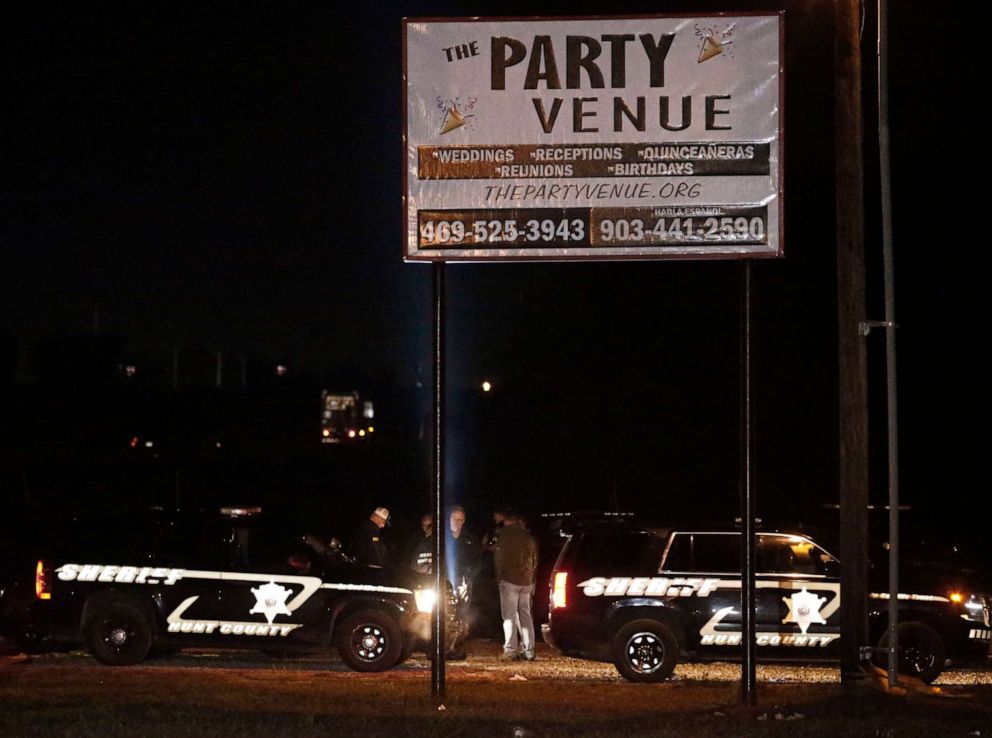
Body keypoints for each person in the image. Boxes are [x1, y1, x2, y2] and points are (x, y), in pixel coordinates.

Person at [493, 511, 538, 661]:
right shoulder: (528, 537)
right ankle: (529, 650)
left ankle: (510, 649)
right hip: (527, 581)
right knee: (525, 614)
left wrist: (499, 577)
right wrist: (532, 579)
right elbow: (535, 559)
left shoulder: (504, 536)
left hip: (509, 580)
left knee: (509, 616)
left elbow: (498, 558)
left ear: (507, 522)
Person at [446, 505, 479, 659]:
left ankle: (457, 648)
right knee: (444, 613)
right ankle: (443, 647)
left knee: (462, 615)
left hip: (465, 581)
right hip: (444, 582)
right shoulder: (442, 537)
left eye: (460, 520)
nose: (457, 522)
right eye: (455, 519)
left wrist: (468, 578)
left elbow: (476, 560)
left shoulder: (470, 539)